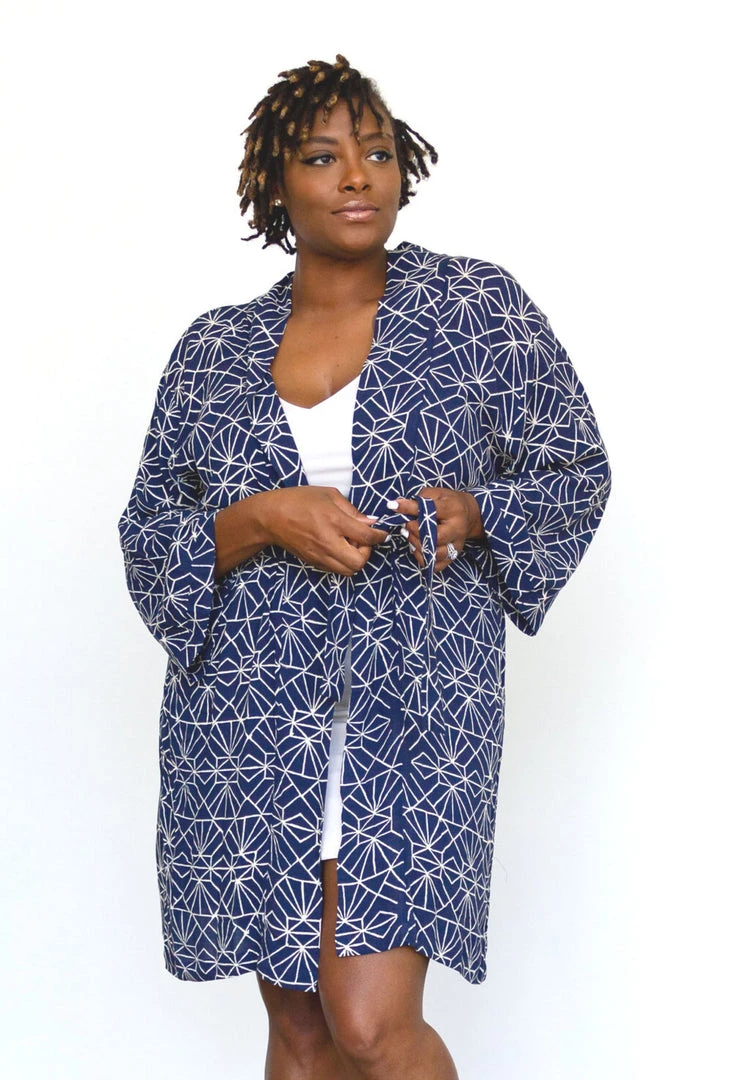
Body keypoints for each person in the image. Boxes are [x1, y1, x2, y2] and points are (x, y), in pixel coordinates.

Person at [118, 53, 612, 1080]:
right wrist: (262, 519)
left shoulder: (475, 311)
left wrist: (476, 511)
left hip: (414, 708)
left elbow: (574, 468)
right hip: (251, 723)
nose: (357, 176)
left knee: (371, 1023)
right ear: (275, 182)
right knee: (302, 1039)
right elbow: (150, 536)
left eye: (378, 153)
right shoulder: (212, 352)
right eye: (322, 157)